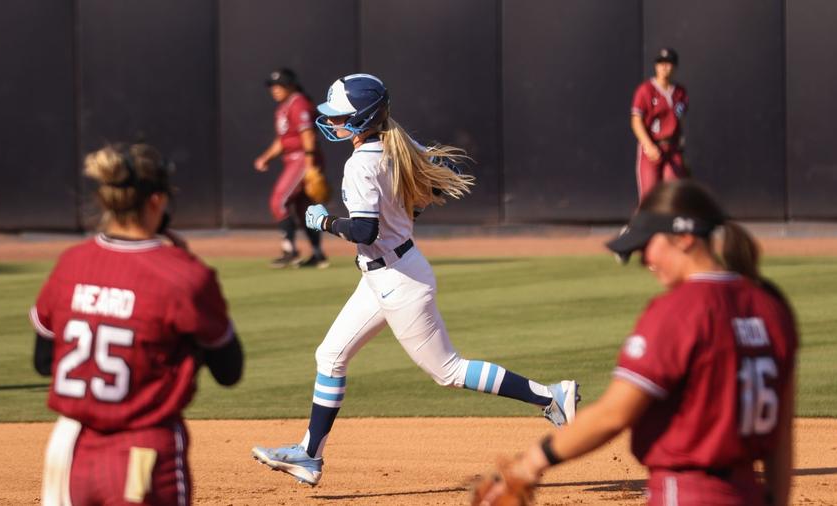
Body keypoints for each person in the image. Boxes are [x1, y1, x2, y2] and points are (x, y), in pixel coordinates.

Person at [251, 73, 579, 487]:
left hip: (397, 282)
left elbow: (364, 231)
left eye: (340, 117)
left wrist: (324, 221)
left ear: (362, 118)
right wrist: (406, 211)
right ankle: (309, 455)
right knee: (329, 355)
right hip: (385, 276)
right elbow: (444, 173)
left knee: (449, 371)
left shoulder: (361, 163)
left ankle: (551, 396)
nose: (332, 122)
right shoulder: (398, 143)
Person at [473, 180, 798, 506]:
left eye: (646, 246)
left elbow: (613, 414)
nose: (644, 260)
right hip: (749, 494)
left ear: (684, 238)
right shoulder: (771, 306)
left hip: (685, 494)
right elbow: (781, 435)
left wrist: (531, 464)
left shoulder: (679, 312)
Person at [30, 143, 244, 506]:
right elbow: (229, 370)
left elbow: (41, 362)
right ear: (157, 201)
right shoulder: (183, 275)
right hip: (141, 451)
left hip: (67, 451)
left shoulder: (71, 263)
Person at [254, 68, 329, 268]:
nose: (275, 89)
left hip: (302, 159)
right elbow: (283, 140)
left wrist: (311, 164)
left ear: (292, 84)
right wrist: (266, 157)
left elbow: (308, 135)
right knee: (305, 209)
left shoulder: (299, 103)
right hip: (293, 158)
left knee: (279, 200)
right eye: (273, 86)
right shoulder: (284, 106)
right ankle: (317, 254)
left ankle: (290, 251)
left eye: (281, 85)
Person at [631, 48, 689, 204]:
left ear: (675, 67)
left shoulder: (680, 93)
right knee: (649, 198)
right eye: (661, 63)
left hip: (672, 148)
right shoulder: (645, 90)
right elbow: (636, 121)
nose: (664, 67)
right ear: (656, 66)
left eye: (668, 63)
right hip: (652, 148)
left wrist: (681, 149)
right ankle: (642, 228)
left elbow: (679, 119)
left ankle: (670, 228)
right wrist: (648, 145)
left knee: (675, 195)